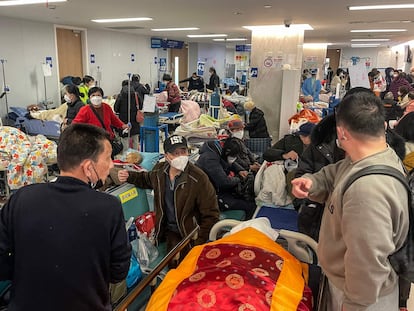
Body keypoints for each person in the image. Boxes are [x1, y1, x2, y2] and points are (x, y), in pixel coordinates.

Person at [291, 91, 409, 310]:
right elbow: (333, 173)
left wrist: (354, 305)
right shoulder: (372, 157)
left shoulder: (368, 191)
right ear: (382, 126)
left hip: (362, 298)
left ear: (341, 133)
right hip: (347, 284)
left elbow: (367, 263)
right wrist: (311, 183)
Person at [0, 123, 131, 310]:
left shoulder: (21, 198)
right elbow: (119, 271)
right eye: (108, 158)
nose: (111, 165)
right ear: (88, 167)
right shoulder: (108, 207)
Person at [117, 135, 219, 257]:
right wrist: (129, 176)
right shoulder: (159, 172)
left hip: (190, 232)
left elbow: (211, 215)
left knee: (188, 263)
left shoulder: (198, 178)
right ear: (166, 156)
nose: (181, 157)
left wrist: (198, 242)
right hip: (170, 231)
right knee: (174, 263)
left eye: (183, 152)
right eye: (175, 153)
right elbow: (146, 179)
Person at [196, 140, 256, 219]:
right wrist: (240, 178)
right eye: (233, 156)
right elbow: (223, 182)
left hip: (218, 189)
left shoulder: (219, 150)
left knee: (249, 199)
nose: (233, 158)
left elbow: (228, 162)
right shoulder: (210, 159)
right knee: (251, 207)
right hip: (211, 196)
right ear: (227, 152)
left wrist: (240, 170)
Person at [72, 86, 130, 158]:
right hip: (93, 144)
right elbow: (75, 125)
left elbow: (114, 119)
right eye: (93, 95)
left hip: (107, 141)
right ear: (89, 97)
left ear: (102, 97)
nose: (96, 97)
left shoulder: (107, 107)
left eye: (98, 95)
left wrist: (123, 126)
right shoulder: (85, 110)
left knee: (108, 161)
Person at [114, 80, 141, 151]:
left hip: (123, 120)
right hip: (135, 120)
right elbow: (140, 106)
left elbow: (116, 109)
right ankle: (136, 156)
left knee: (125, 139)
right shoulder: (136, 95)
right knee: (135, 139)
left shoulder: (120, 96)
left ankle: (125, 157)